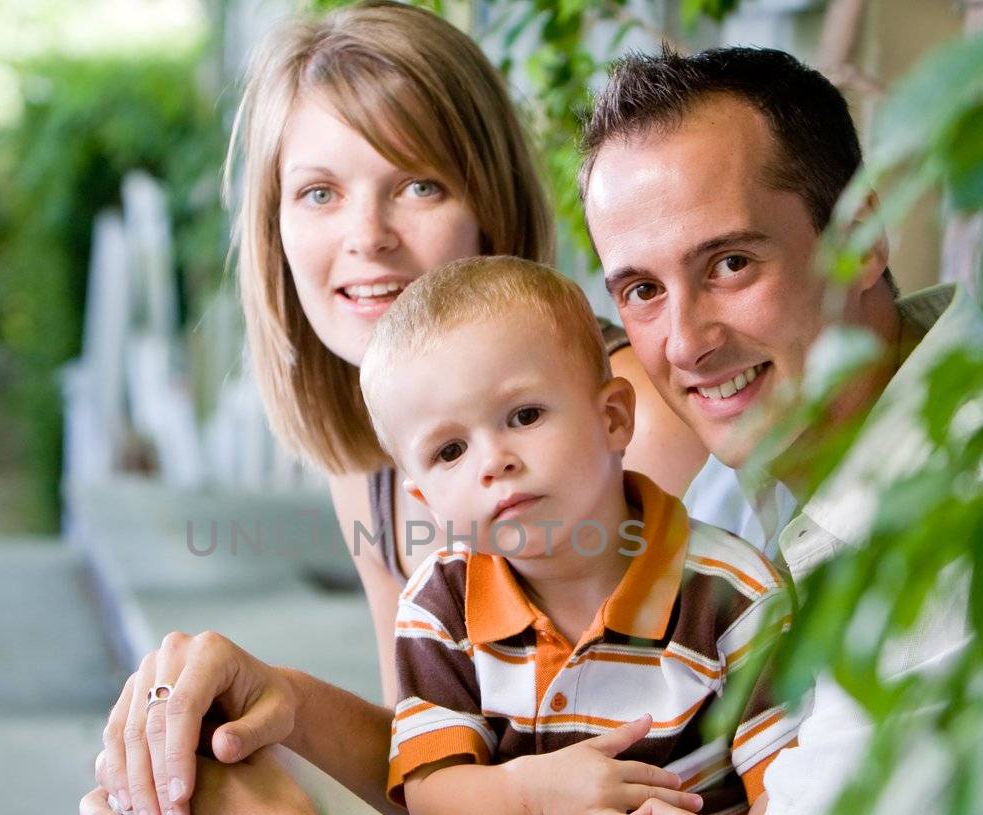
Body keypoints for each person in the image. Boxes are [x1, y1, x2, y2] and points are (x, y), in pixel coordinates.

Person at [64, 45, 983, 815]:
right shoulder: (791, 458)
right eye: (640, 289)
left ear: (863, 236)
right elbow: (519, 748)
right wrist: (290, 703)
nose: (682, 340)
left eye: (729, 264)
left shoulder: (961, 524)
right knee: (201, 805)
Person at [206, 0, 737, 731]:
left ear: (490, 206)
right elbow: (427, 751)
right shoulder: (369, 455)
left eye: (418, 185)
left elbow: (693, 784)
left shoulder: (625, 421)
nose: (368, 237)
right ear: (276, 228)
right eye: (319, 193)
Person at [358, 255, 804, 815]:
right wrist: (538, 789)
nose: (493, 459)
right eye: (450, 451)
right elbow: (431, 794)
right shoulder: (443, 606)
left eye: (524, 415)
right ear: (423, 497)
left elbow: (796, 789)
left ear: (612, 418)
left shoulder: (729, 593)